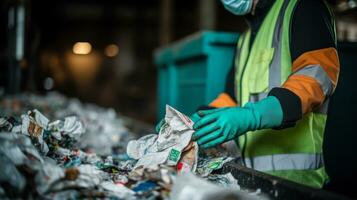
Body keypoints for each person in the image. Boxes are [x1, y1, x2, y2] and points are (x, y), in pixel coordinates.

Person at [156, 0, 339, 189]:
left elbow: (316, 77)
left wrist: (253, 116)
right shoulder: (245, 39)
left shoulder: (303, 7)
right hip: (250, 177)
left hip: (294, 180)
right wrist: (191, 124)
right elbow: (232, 97)